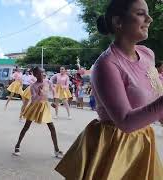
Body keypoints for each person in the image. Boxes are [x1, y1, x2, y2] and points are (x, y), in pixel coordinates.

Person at [55, 0, 163, 179]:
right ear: (118, 22)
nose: (150, 19)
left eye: (148, 13)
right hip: (114, 147)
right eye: (140, 14)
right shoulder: (107, 65)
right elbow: (126, 122)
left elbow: (154, 102)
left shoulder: (147, 54)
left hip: (143, 142)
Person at [13, 67, 63, 158]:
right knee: (26, 126)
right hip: (35, 106)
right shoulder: (33, 86)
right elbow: (34, 98)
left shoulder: (47, 82)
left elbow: (54, 91)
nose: (42, 74)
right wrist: (39, 92)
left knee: (52, 127)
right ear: (35, 75)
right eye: (39, 73)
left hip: (45, 106)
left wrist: (55, 102)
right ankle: (17, 146)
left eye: (43, 72)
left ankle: (56, 149)